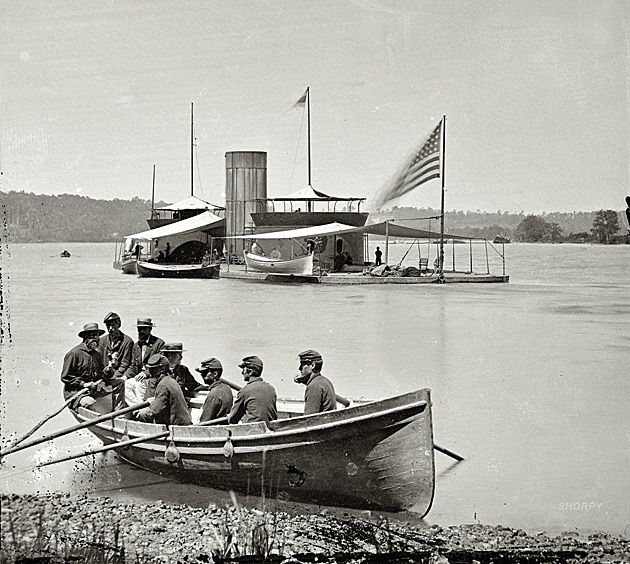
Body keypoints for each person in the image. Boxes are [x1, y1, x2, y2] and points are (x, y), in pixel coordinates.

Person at [60, 322, 125, 409]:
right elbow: (65, 377)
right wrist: (84, 384)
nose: (95, 339)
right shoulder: (74, 353)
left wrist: (109, 368)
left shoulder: (97, 354)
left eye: (97, 336)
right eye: (91, 336)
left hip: (94, 388)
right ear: (85, 337)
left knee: (120, 383)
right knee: (91, 403)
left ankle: (118, 414)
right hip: (76, 392)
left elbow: (102, 376)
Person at [136, 354, 192, 426]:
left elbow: (157, 410)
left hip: (177, 425)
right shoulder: (170, 380)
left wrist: (151, 402)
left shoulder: (163, 384)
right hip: (180, 422)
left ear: (161, 370)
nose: (149, 372)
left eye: (153, 369)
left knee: (143, 414)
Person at [123, 318, 165, 405]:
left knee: (139, 385)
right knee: (125, 385)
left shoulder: (159, 343)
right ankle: (137, 408)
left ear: (150, 329)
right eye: (139, 329)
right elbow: (133, 366)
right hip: (139, 377)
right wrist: (125, 377)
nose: (140, 331)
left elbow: (161, 365)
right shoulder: (136, 346)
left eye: (143, 329)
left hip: (152, 377)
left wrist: (146, 373)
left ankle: (142, 410)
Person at [227, 356, 277, 424]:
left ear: (250, 372)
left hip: (251, 431)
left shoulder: (244, 391)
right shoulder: (271, 389)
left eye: (243, 369)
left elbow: (232, 419)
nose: (242, 373)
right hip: (270, 429)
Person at [294, 350, 337, 415]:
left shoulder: (313, 386)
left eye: (302, 365)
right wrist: (304, 381)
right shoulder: (324, 381)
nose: (299, 368)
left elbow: (308, 419)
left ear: (312, 365)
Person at [196, 357, 233, 422]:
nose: (202, 375)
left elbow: (204, 421)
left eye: (204, 373)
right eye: (201, 373)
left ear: (215, 374)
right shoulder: (227, 388)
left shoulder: (213, 394)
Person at [99, 312, 133, 380]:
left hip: (118, 376)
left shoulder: (127, 341)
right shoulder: (102, 340)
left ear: (119, 324)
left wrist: (114, 378)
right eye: (108, 326)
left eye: (113, 325)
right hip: (103, 375)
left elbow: (124, 364)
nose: (110, 328)